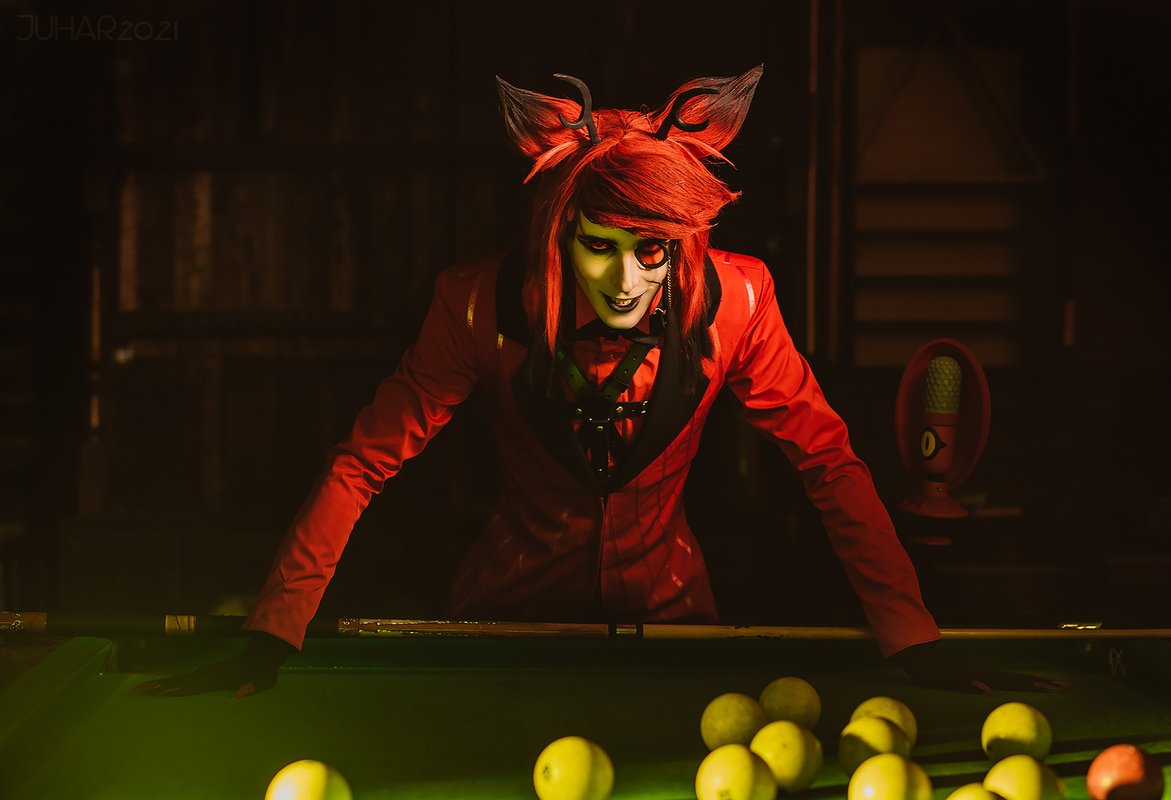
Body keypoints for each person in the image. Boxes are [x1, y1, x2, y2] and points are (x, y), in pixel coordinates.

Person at [134, 66, 1061, 699]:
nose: (625, 282)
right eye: (600, 247)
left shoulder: (740, 299)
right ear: (558, 232)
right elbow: (362, 463)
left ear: (681, 243)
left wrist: (913, 636)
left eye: (651, 251)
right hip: (502, 626)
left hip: (677, 627)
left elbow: (826, 459)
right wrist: (273, 630)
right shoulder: (474, 304)